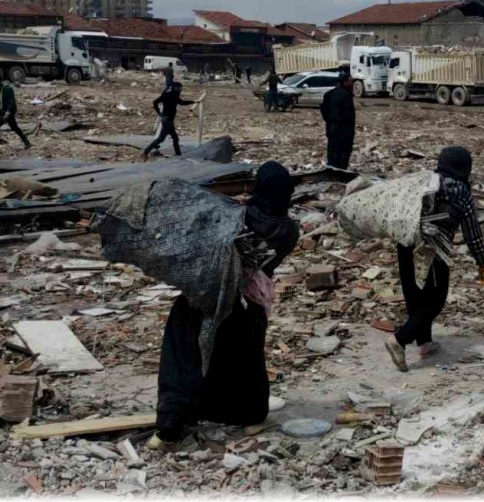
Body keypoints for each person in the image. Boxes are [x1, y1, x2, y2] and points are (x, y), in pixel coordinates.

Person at [151, 161, 300, 449]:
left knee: (183, 351)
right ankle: (244, 412)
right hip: (248, 303)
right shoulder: (287, 232)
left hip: (203, 294)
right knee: (243, 359)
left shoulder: (233, 218)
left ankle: (173, 415)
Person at [384, 147, 484, 372]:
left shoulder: (424, 181)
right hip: (432, 249)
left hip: (406, 242)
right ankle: (400, 340)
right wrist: (482, 262)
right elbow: (472, 233)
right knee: (434, 299)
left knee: (414, 295)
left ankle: (424, 343)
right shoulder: (460, 190)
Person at [143, 82, 198, 159]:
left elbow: (155, 102)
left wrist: (159, 112)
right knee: (161, 138)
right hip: (167, 120)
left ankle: (178, 154)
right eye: (180, 88)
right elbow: (181, 102)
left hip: (168, 119)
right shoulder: (173, 95)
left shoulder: (167, 94)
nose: (181, 90)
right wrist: (193, 101)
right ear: (175, 88)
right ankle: (146, 151)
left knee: (175, 138)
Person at [0, 74, 31, 149]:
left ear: (0, 81)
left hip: (9, 111)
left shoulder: (7, 89)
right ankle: (26, 142)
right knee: (14, 127)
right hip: (2, 112)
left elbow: (11, 102)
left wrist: (7, 113)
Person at [320, 74, 356, 169]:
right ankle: (341, 172)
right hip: (344, 130)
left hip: (332, 128)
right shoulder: (346, 95)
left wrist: (329, 121)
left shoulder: (328, 94)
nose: (352, 84)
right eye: (350, 82)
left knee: (333, 151)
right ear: (345, 82)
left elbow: (323, 110)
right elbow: (349, 114)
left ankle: (332, 170)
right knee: (344, 152)